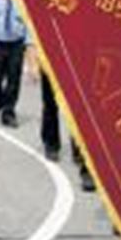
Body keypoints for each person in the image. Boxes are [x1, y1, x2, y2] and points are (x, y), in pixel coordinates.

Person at [25, 45, 96, 191]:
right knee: (51, 105)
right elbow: (33, 39)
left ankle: (81, 154)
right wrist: (33, 62)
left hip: (78, 60)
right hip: (51, 60)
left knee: (79, 109)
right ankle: (51, 144)